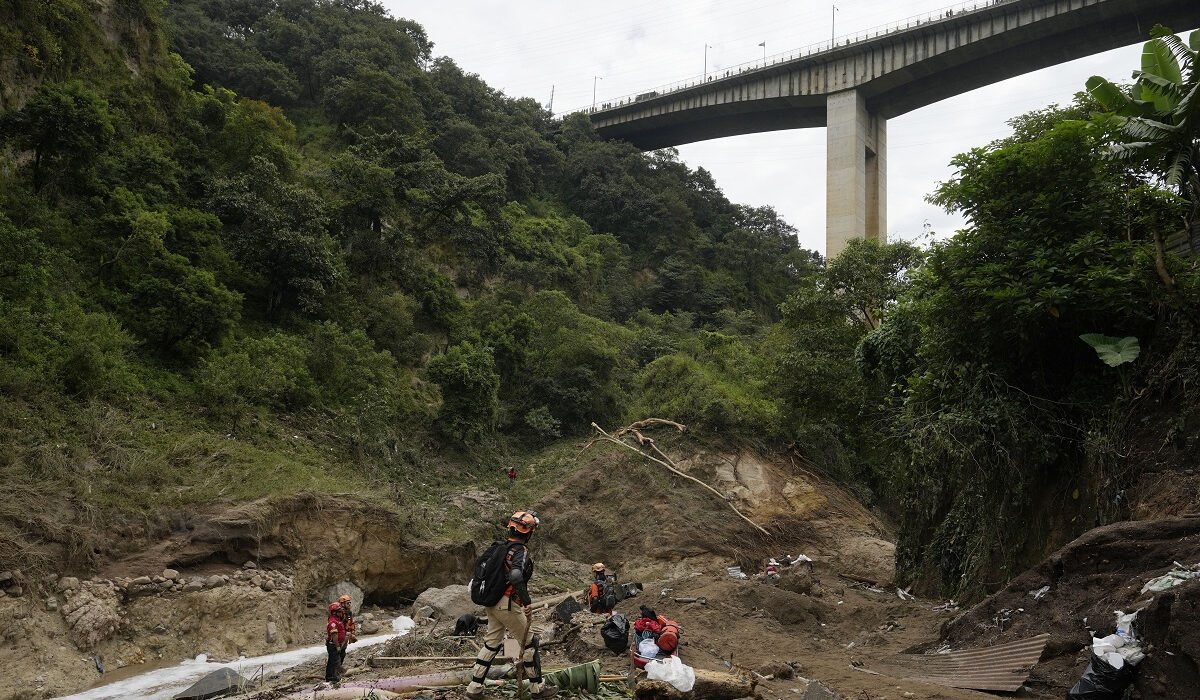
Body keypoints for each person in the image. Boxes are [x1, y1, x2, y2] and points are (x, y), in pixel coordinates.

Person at [465, 511, 558, 700]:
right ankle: (537, 689)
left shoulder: (500, 548)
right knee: (530, 643)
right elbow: (515, 576)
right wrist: (527, 602)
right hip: (507, 604)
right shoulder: (520, 551)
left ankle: (474, 689)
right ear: (528, 533)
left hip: (492, 602)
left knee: (492, 644)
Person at [325, 602, 346, 683]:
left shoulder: (337, 620)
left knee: (333, 660)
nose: (341, 613)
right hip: (333, 645)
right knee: (334, 661)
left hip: (336, 644)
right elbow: (334, 635)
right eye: (339, 611)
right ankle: (331, 678)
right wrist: (337, 646)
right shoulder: (333, 622)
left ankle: (331, 676)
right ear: (334, 612)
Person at [337, 594, 357, 665]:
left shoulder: (349, 612)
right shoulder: (339, 613)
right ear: (342, 604)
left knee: (342, 652)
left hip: (346, 636)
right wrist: (345, 633)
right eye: (347, 603)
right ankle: (335, 669)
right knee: (337, 653)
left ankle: (339, 667)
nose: (349, 604)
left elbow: (351, 624)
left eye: (350, 603)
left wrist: (353, 634)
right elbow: (338, 626)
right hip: (338, 636)